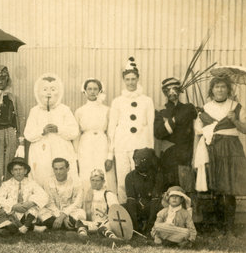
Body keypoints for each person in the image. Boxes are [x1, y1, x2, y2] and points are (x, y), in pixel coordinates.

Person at [193, 75, 246, 234]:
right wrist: (207, 127)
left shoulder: (236, 107)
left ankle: (229, 229)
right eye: (216, 86)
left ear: (228, 89)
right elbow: (198, 130)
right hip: (213, 149)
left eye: (223, 86)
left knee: (229, 188)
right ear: (211, 90)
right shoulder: (206, 107)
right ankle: (219, 227)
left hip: (231, 149)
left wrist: (235, 120)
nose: (219, 90)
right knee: (216, 188)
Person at [106, 57, 155, 203]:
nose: (131, 82)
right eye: (127, 79)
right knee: (122, 180)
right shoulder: (117, 101)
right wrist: (110, 152)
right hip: (122, 146)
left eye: (133, 79)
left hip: (140, 146)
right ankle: (124, 209)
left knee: (140, 179)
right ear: (123, 80)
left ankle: (140, 211)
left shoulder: (147, 101)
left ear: (138, 79)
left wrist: (150, 150)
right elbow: (112, 127)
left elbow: (150, 125)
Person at [24, 73, 79, 188]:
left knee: (61, 176)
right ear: (38, 92)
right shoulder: (35, 111)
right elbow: (28, 134)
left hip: (61, 149)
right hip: (40, 151)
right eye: (45, 89)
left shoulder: (64, 109)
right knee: (41, 175)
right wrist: (42, 131)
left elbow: (74, 131)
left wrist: (59, 129)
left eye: (53, 89)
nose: (49, 93)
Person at [154, 76, 198, 194]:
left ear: (180, 91)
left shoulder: (188, 108)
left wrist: (169, 124)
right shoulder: (160, 111)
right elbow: (159, 133)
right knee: (170, 192)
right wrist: (176, 119)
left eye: (175, 89)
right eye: (168, 89)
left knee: (186, 189)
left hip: (185, 155)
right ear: (164, 92)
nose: (172, 92)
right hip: (168, 156)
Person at [0, 156, 54, 234]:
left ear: (25, 171)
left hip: (28, 211)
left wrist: (30, 203)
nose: (18, 172)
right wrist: (13, 206)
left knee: (34, 200)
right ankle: (31, 227)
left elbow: (44, 195)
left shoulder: (31, 182)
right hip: (13, 212)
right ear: (12, 172)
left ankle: (25, 227)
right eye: (15, 170)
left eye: (20, 169)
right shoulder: (6, 184)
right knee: (5, 209)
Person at [74, 78, 114, 191]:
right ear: (85, 91)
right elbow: (76, 136)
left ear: (100, 91)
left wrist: (110, 156)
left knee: (105, 175)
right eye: (89, 89)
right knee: (86, 175)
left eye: (95, 89)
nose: (92, 92)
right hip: (85, 147)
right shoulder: (79, 111)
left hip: (102, 145)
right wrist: (76, 157)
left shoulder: (107, 110)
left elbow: (111, 134)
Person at [42, 157, 87, 232]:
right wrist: (59, 216)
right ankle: (71, 226)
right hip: (54, 212)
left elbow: (77, 203)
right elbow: (50, 203)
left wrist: (63, 216)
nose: (58, 172)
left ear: (67, 168)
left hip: (71, 212)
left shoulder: (76, 181)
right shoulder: (47, 182)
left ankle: (56, 225)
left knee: (81, 213)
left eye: (61, 169)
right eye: (56, 169)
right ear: (53, 169)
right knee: (41, 212)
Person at [123, 147, 160, 237]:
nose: (137, 163)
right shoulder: (130, 176)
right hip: (136, 205)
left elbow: (155, 199)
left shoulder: (157, 175)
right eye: (136, 159)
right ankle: (135, 228)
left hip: (152, 205)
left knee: (161, 207)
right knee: (123, 207)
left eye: (142, 160)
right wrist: (135, 227)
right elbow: (131, 199)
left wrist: (150, 226)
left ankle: (151, 229)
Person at [81, 169, 123, 239]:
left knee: (104, 226)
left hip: (106, 222)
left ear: (103, 181)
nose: (94, 183)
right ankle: (83, 235)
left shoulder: (109, 194)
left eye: (97, 181)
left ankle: (111, 236)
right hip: (95, 223)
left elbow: (116, 212)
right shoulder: (89, 194)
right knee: (80, 223)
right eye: (92, 180)